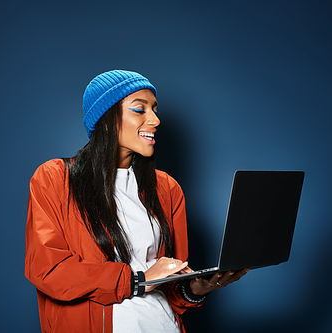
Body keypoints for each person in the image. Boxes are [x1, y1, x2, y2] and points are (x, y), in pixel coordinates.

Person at [24, 70, 249, 332]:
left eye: (155, 109)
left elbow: (171, 290)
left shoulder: (167, 189)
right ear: (106, 120)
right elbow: (48, 270)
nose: (154, 120)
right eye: (139, 110)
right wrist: (136, 280)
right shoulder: (55, 179)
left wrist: (197, 287)